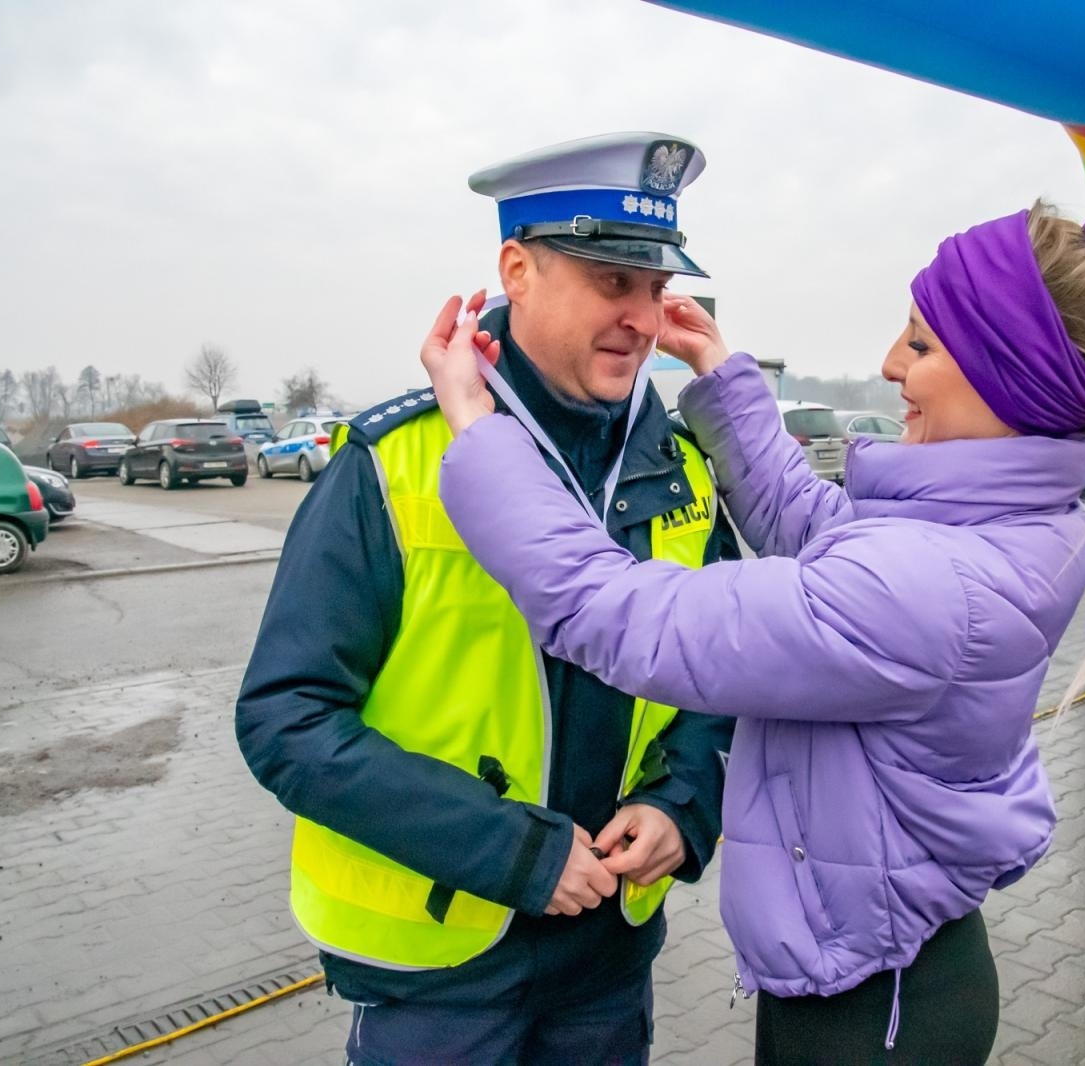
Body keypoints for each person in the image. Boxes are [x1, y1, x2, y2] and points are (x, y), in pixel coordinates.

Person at [420, 201, 1085, 1062]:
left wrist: (479, 432)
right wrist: (723, 374)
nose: (889, 365)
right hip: (906, 969)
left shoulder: (929, 584)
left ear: (1006, 378)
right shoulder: (1015, 523)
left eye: (919, 345)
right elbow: (822, 532)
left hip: (864, 1018)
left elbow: (617, 613)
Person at [236, 131, 740, 1066]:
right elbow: (286, 719)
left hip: (609, 957)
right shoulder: (393, 464)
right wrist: (513, 854)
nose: (640, 315)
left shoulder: (679, 467)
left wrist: (684, 803)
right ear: (518, 268)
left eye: (654, 288)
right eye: (609, 280)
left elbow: (729, 672)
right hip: (439, 973)